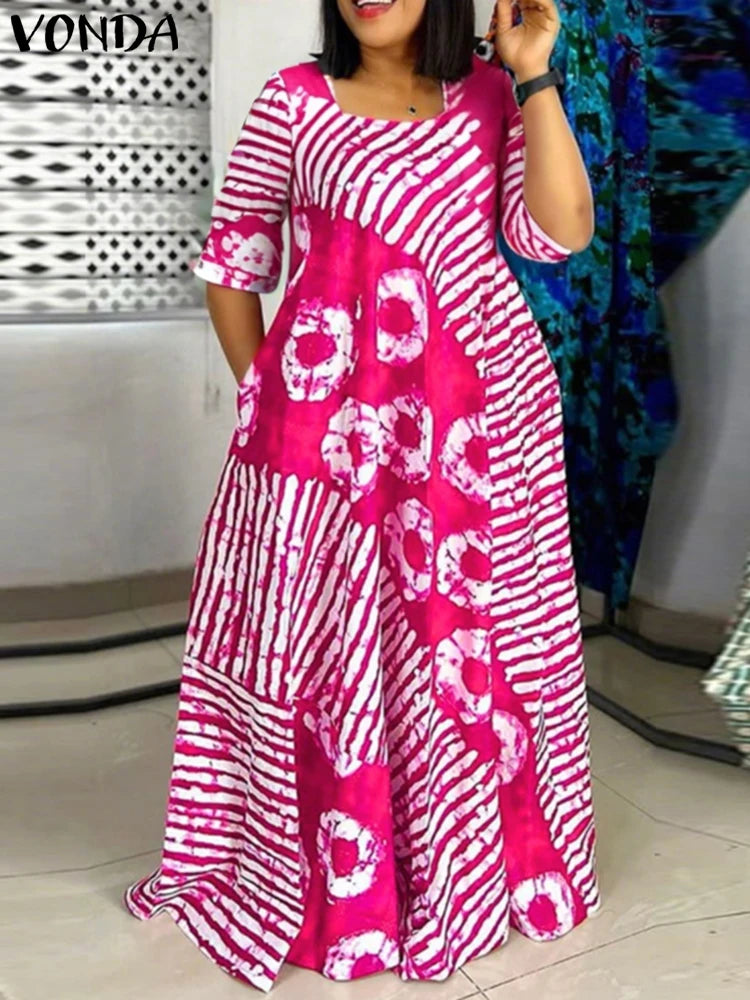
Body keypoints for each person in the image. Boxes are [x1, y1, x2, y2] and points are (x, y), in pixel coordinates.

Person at [123, 0, 600, 990]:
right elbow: (233, 259)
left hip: (476, 426)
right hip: (328, 436)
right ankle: (344, 882)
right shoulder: (294, 103)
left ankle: (463, 870)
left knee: (463, 642)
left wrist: (534, 72)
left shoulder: (490, 97)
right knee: (329, 644)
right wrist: (271, 400)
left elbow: (559, 233)